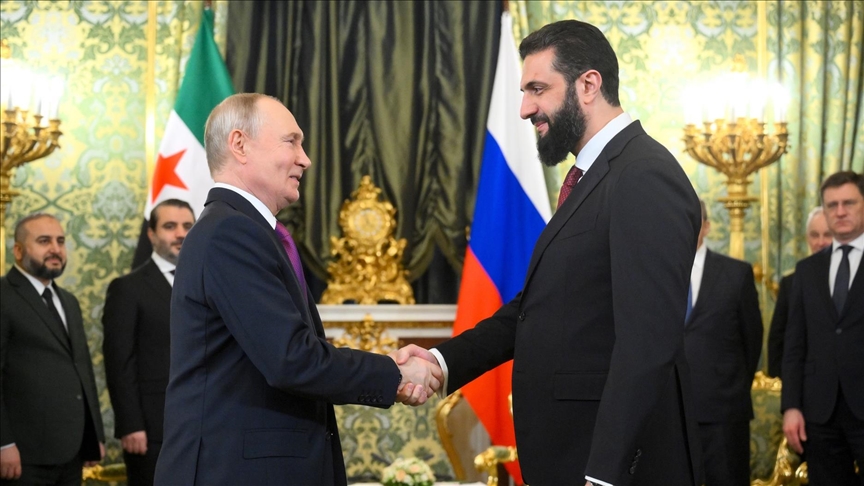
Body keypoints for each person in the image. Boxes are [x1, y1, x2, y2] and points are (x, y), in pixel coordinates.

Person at [398, 20, 702, 486]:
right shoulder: (593, 177)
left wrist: (603, 475)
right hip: (570, 457)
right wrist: (441, 362)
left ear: (589, 85)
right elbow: (537, 308)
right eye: (524, 92)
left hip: (612, 468)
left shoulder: (644, 175)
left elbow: (648, 343)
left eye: (537, 89)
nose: (525, 108)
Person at [153, 93, 442, 486]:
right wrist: (394, 373)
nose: (305, 159)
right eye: (291, 141)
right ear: (240, 145)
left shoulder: (246, 230)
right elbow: (292, 358)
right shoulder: (230, 232)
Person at [0, 213, 105, 484]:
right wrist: (3, 444)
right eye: (44, 241)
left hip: (72, 451)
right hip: (23, 455)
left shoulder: (69, 301)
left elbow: (82, 370)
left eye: (60, 241)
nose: (55, 249)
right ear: (18, 250)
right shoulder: (3, 296)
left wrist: (94, 436)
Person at [102, 199, 194, 486]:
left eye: (188, 226)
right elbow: (119, 362)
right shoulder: (128, 288)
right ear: (151, 234)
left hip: (205, 424)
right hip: (153, 428)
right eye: (170, 226)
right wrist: (131, 424)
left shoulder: (207, 282)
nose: (180, 234)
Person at [782, 170, 864, 485]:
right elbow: (794, 345)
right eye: (832, 205)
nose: (840, 212)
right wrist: (791, 406)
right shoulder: (807, 271)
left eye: (848, 203)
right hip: (819, 411)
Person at [683, 200, 762, 486]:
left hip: (723, 413)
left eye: (692, 220)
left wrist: (729, 386)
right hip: (669, 414)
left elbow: (752, 341)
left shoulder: (736, 274)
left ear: (706, 226)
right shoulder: (656, 273)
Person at [766, 207, 832, 378]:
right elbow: (777, 339)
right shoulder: (791, 283)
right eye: (814, 235)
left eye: (828, 235)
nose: (820, 242)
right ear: (807, 238)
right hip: (805, 380)